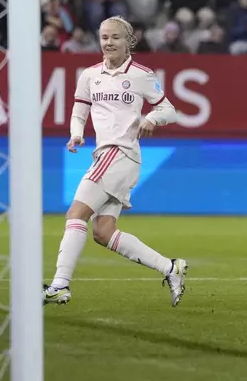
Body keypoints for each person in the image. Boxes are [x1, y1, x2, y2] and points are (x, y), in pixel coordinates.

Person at [42, 16, 188, 307]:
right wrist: (75, 134)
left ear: (128, 41)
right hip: (106, 154)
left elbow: (170, 110)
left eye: (115, 38)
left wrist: (152, 118)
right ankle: (171, 267)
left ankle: (60, 285)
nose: (109, 43)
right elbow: (79, 109)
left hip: (120, 153)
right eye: (104, 37)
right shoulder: (90, 75)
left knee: (75, 215)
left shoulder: (141, 75)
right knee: (102, 232)